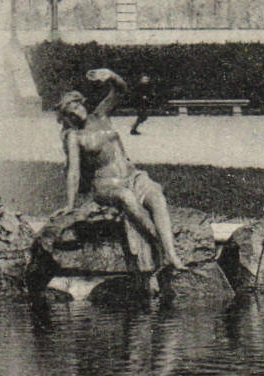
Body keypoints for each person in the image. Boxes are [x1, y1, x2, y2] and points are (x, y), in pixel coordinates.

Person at [55, 68, 186, 271]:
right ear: (66, 117)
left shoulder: (101, 115)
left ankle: (172, 255)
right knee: (127, 197)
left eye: (76, 105)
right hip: (106, 185)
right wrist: (70, 205)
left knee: (156, 195)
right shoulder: (74, 136)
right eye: (69, 111)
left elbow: (120, 90)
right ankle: (159, 245)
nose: (75, 111)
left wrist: (111, 75)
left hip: (133, 175)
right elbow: (74, 171)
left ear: (82, 103)